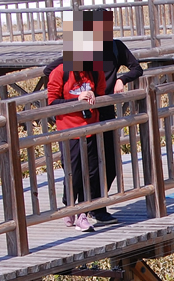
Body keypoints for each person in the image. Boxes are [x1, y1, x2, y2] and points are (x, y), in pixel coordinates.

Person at [43, 9, 143, 225]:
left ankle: (95, 206)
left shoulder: (116, 47)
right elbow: (49, 70)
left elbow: (137, 68)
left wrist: (122, 79)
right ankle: (79, 206)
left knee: (108, 164)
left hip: (104, 111)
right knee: (83, 164)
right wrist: (73, 92)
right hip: (84, 113)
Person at [47, 10, 108, 232]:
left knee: (91, 172)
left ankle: (81, 212)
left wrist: (93, 96)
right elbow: (52, 102)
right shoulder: (60, 72)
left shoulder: (95, 70)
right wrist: (76, 98)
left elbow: (101, 94)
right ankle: (72, 209)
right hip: (69, 131)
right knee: (73, 172)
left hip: (90, 128)